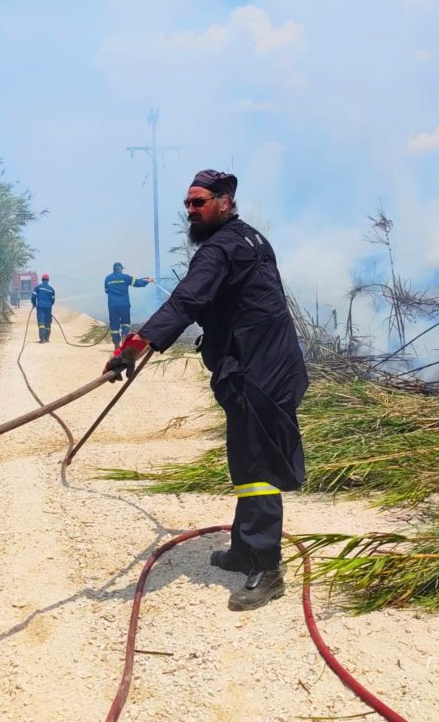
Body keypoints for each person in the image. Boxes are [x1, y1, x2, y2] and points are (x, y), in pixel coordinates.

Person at [104, 169, 308, 611]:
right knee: (246, 455)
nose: (191, 211)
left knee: (258, 464)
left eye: (200, 203)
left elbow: (186, 301)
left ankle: (267, 567)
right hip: (269, 362)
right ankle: (242, 550)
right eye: (188, 204)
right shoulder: (251, 239)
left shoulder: (219, 250)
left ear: (225, 202)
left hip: (257, 369)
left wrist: (134, 347)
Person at [104, 262, 152, 350]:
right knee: (125, 323)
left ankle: (116, 344)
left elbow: (106, 290)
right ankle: (124, 339)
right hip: (124, 304)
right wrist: (148, 281)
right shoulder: (125, 277)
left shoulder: (107, 278)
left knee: (114, 325)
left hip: (112, 305)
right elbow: (138, 283)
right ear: (121, 269)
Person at [31, 273, 55, 343]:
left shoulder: (38, 287)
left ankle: (42, 339)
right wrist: (49, 306)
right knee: (47, 322)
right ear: (48, 280)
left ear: (42, 279)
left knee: (41, 322)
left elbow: (33, 297)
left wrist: (34, 304)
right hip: (48, 307)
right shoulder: (51, 289)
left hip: (40, 307)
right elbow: (53, 300)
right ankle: (47, 338)